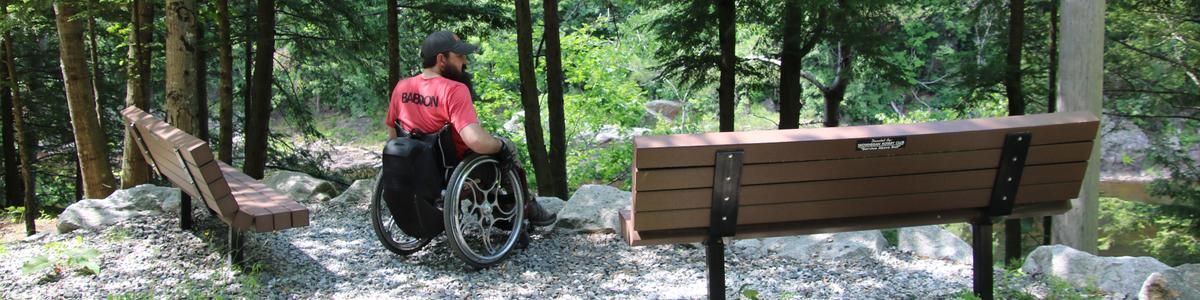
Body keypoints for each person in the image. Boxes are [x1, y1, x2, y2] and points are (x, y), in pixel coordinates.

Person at [384, 31, 555, 226]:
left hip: (418, 168)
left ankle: (502, 205)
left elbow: (393, 135)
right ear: (441, 59)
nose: (465, 61)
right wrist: (500, 145)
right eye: (460, 56)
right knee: (506, 146)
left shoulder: (402, 87)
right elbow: (475, 140)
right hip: (456, 169)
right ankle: (527, 205)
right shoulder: (454, 89)